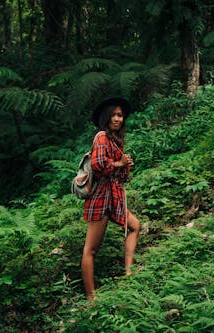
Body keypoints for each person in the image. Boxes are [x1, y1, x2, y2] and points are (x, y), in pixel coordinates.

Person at [81, 97, 141, 301]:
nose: (118, 119)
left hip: (115, 197)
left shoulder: (116, 141)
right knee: (91, 249)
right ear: (106, 117)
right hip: (101, 198)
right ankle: (91, 297)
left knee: (135, 226)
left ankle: (129, 273)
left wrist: (125, 165)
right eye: (114, 115)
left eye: (120, 115)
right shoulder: (101, 137)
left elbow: (122, 177)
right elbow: (98, 165)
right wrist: (117, 163)